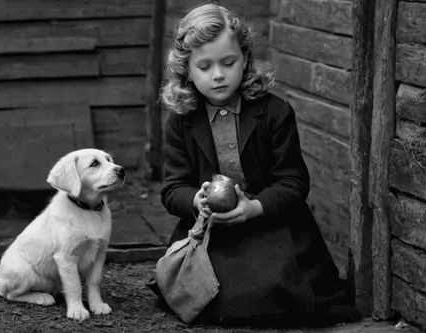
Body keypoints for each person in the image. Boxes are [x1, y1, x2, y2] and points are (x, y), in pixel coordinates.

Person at [148, 2, 362, 328]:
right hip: (212, 231)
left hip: (270, 223)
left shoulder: (275, 113)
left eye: (228, 62)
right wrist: (197, 201)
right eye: (204, 67)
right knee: (200, 288)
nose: (218, 75)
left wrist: (255, 208)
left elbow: (293, 183)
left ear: (245, 59)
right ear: (186, 70)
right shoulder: (181, 122)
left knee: (278, 283)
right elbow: (173, 189)